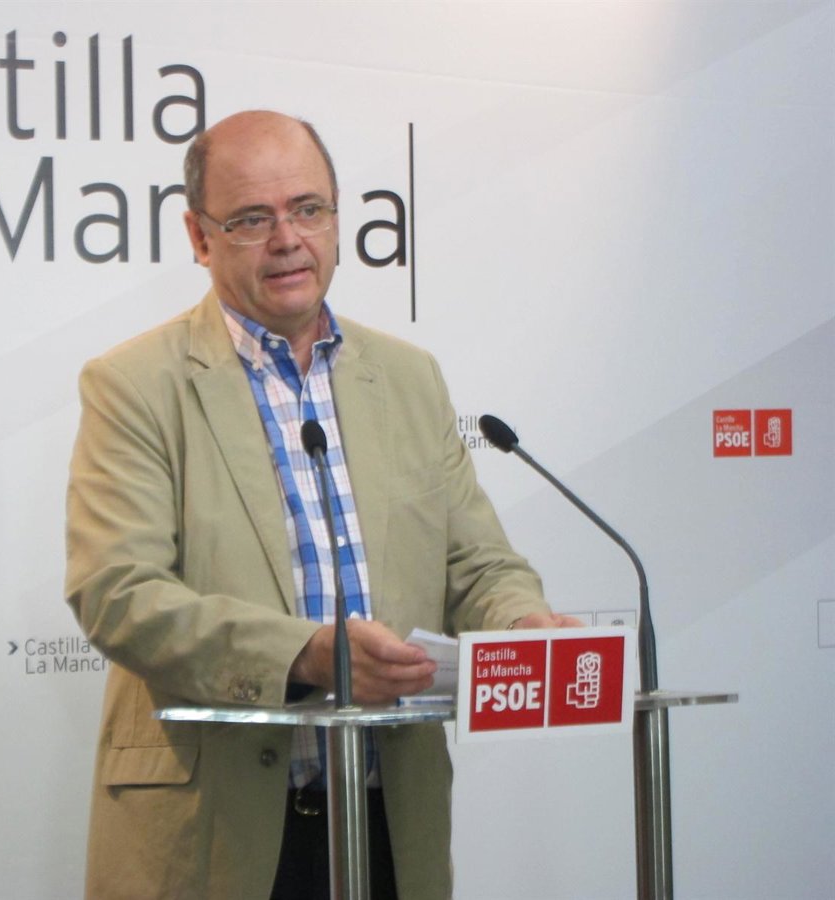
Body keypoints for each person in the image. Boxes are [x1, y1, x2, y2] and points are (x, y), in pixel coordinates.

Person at [65, 110, 579, 900]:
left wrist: (521, 623)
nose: (288, 239)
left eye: (308, 209)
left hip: (386, 822)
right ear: (200, 237)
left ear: (338, 221)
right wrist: (305, 655)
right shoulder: (135, 384)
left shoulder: (407, 377)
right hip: (219, 832)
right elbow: (118, 593)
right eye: (251, 219)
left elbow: (477, 565)